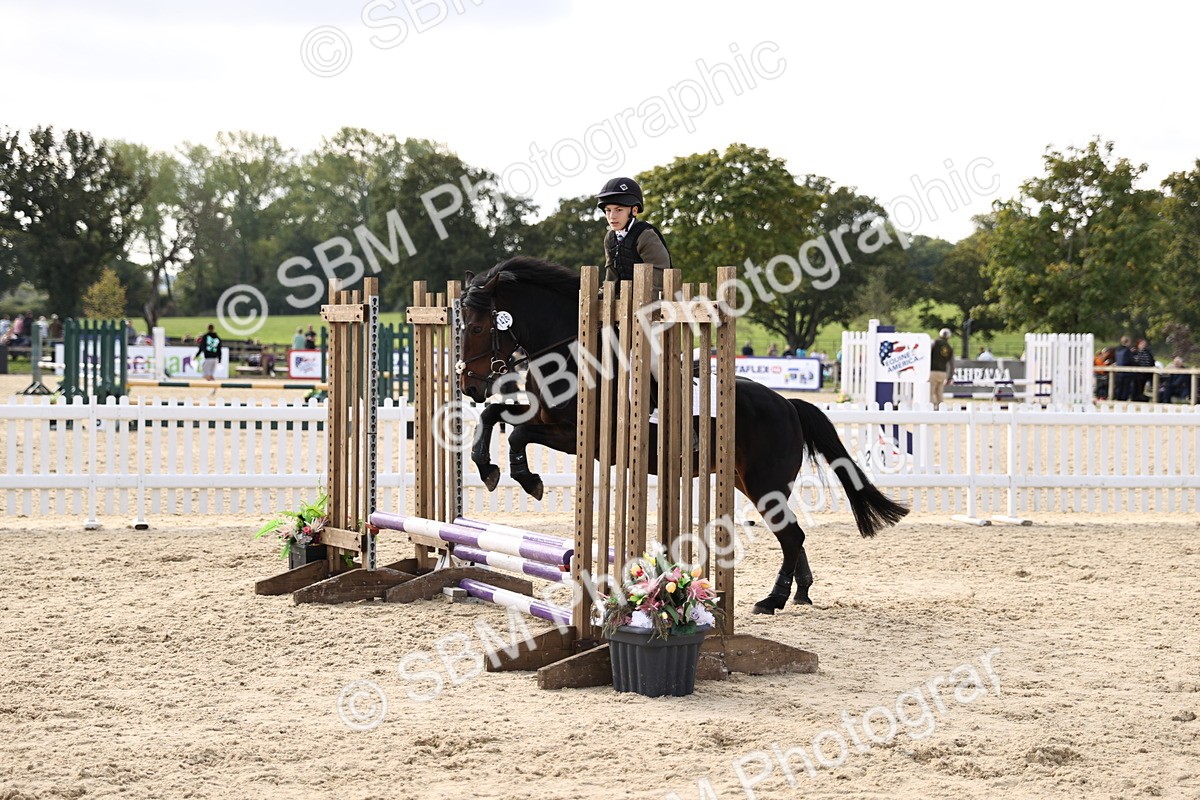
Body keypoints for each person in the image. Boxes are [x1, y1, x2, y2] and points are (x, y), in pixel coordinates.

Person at [596, 177, 672, 296]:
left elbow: (659, 279)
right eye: (608, 210)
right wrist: (602, 295)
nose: (612, 216)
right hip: (627, 301)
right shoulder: (610, 238)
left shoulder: (646, 236)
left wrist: (639, 302)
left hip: (658, 300)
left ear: (634, 210)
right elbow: (611, 277)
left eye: (619, 210)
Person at [929, 328, 955, 407]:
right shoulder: (949, 347)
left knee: (931, 392)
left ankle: (932, 407)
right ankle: (941, 407)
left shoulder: (934, 343)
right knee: (939, 393)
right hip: (943, 372)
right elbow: (952, 364)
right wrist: (950, 376)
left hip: (932, 371)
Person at [1114, 335, 1134, 401]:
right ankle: (1123, 400)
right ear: (1127, 342)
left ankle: (1118, 399)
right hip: (1126, 372)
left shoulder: (1117, 349)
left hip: (1119, 371)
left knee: (1119, 387)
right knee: (1125, 388)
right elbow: (1130, 360)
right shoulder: (1127, 350)